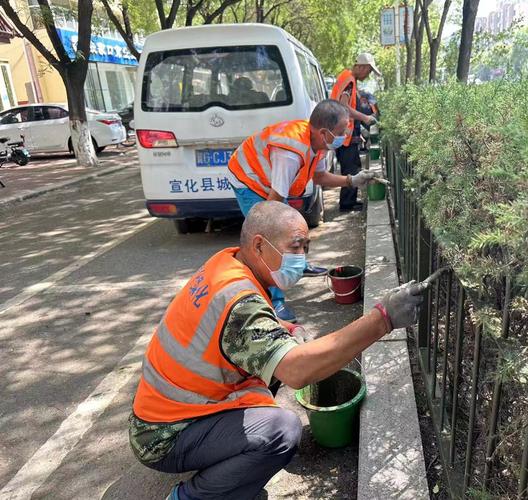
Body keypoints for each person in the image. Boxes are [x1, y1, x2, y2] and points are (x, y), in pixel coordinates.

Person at [128, 201, 426, 500]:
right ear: (259, 245)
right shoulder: (239, 299)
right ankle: (191, 497)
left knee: (280, 354)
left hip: (165, 411)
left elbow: (238, 326)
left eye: (306, 247)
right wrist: (382, 319)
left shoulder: (227, 265)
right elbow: (297, 371)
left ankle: (229, 472)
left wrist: (288, 328)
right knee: (280, 432)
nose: (302, 257)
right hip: (163, 436)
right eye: (295, 247)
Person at [226, 99, 377, 322]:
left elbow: (319, 177)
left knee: (288, 229)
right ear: (324, 131)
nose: (345, 135)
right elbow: (274, 203)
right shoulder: (291, 151)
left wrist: (352, 180)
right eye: (341, 131)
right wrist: (277, 231)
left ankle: (298, 264)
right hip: (249, 180)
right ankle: (274, 301)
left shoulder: (317, 143)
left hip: (269, 181)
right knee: (270, 237)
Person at [330, 53, 381, 211]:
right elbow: (344, 107)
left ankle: (349, 201)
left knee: (352, 166)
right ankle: (347, 204)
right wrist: (365, 118)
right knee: (351, 168)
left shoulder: (348, 79)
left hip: (346, 134)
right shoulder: (349, 81)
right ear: (362, 67)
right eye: (369, 71)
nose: (368, 75)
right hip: (344, 136)